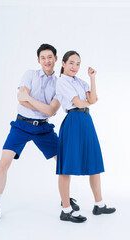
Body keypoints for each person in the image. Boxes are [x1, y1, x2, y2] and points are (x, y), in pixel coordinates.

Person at [0, 44, 79, 224]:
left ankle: (65, 200)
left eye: (50, 57)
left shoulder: (60, 83)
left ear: (56, 59)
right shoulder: (29, 74)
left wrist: (29, 100)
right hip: (21, 125)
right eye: (43, 57)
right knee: (4, 162)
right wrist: (37, 105)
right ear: (38, 60)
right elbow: (21, 99)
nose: (47, 60)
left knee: (64, 162)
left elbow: (51, 111)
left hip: (43, 128)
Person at [56, 50, 116, 223]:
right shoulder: (62, 82)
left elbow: (94, 99)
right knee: (67, 166)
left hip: (86, 120)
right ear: (64, 64)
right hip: (73, 120)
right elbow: (79, 103)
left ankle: (99, 204)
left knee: (94, 162)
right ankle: (66, 209)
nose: (75, 66)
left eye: (78, 63)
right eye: (71, 63)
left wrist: (92, 78)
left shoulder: (80, 82)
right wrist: (89, 101)